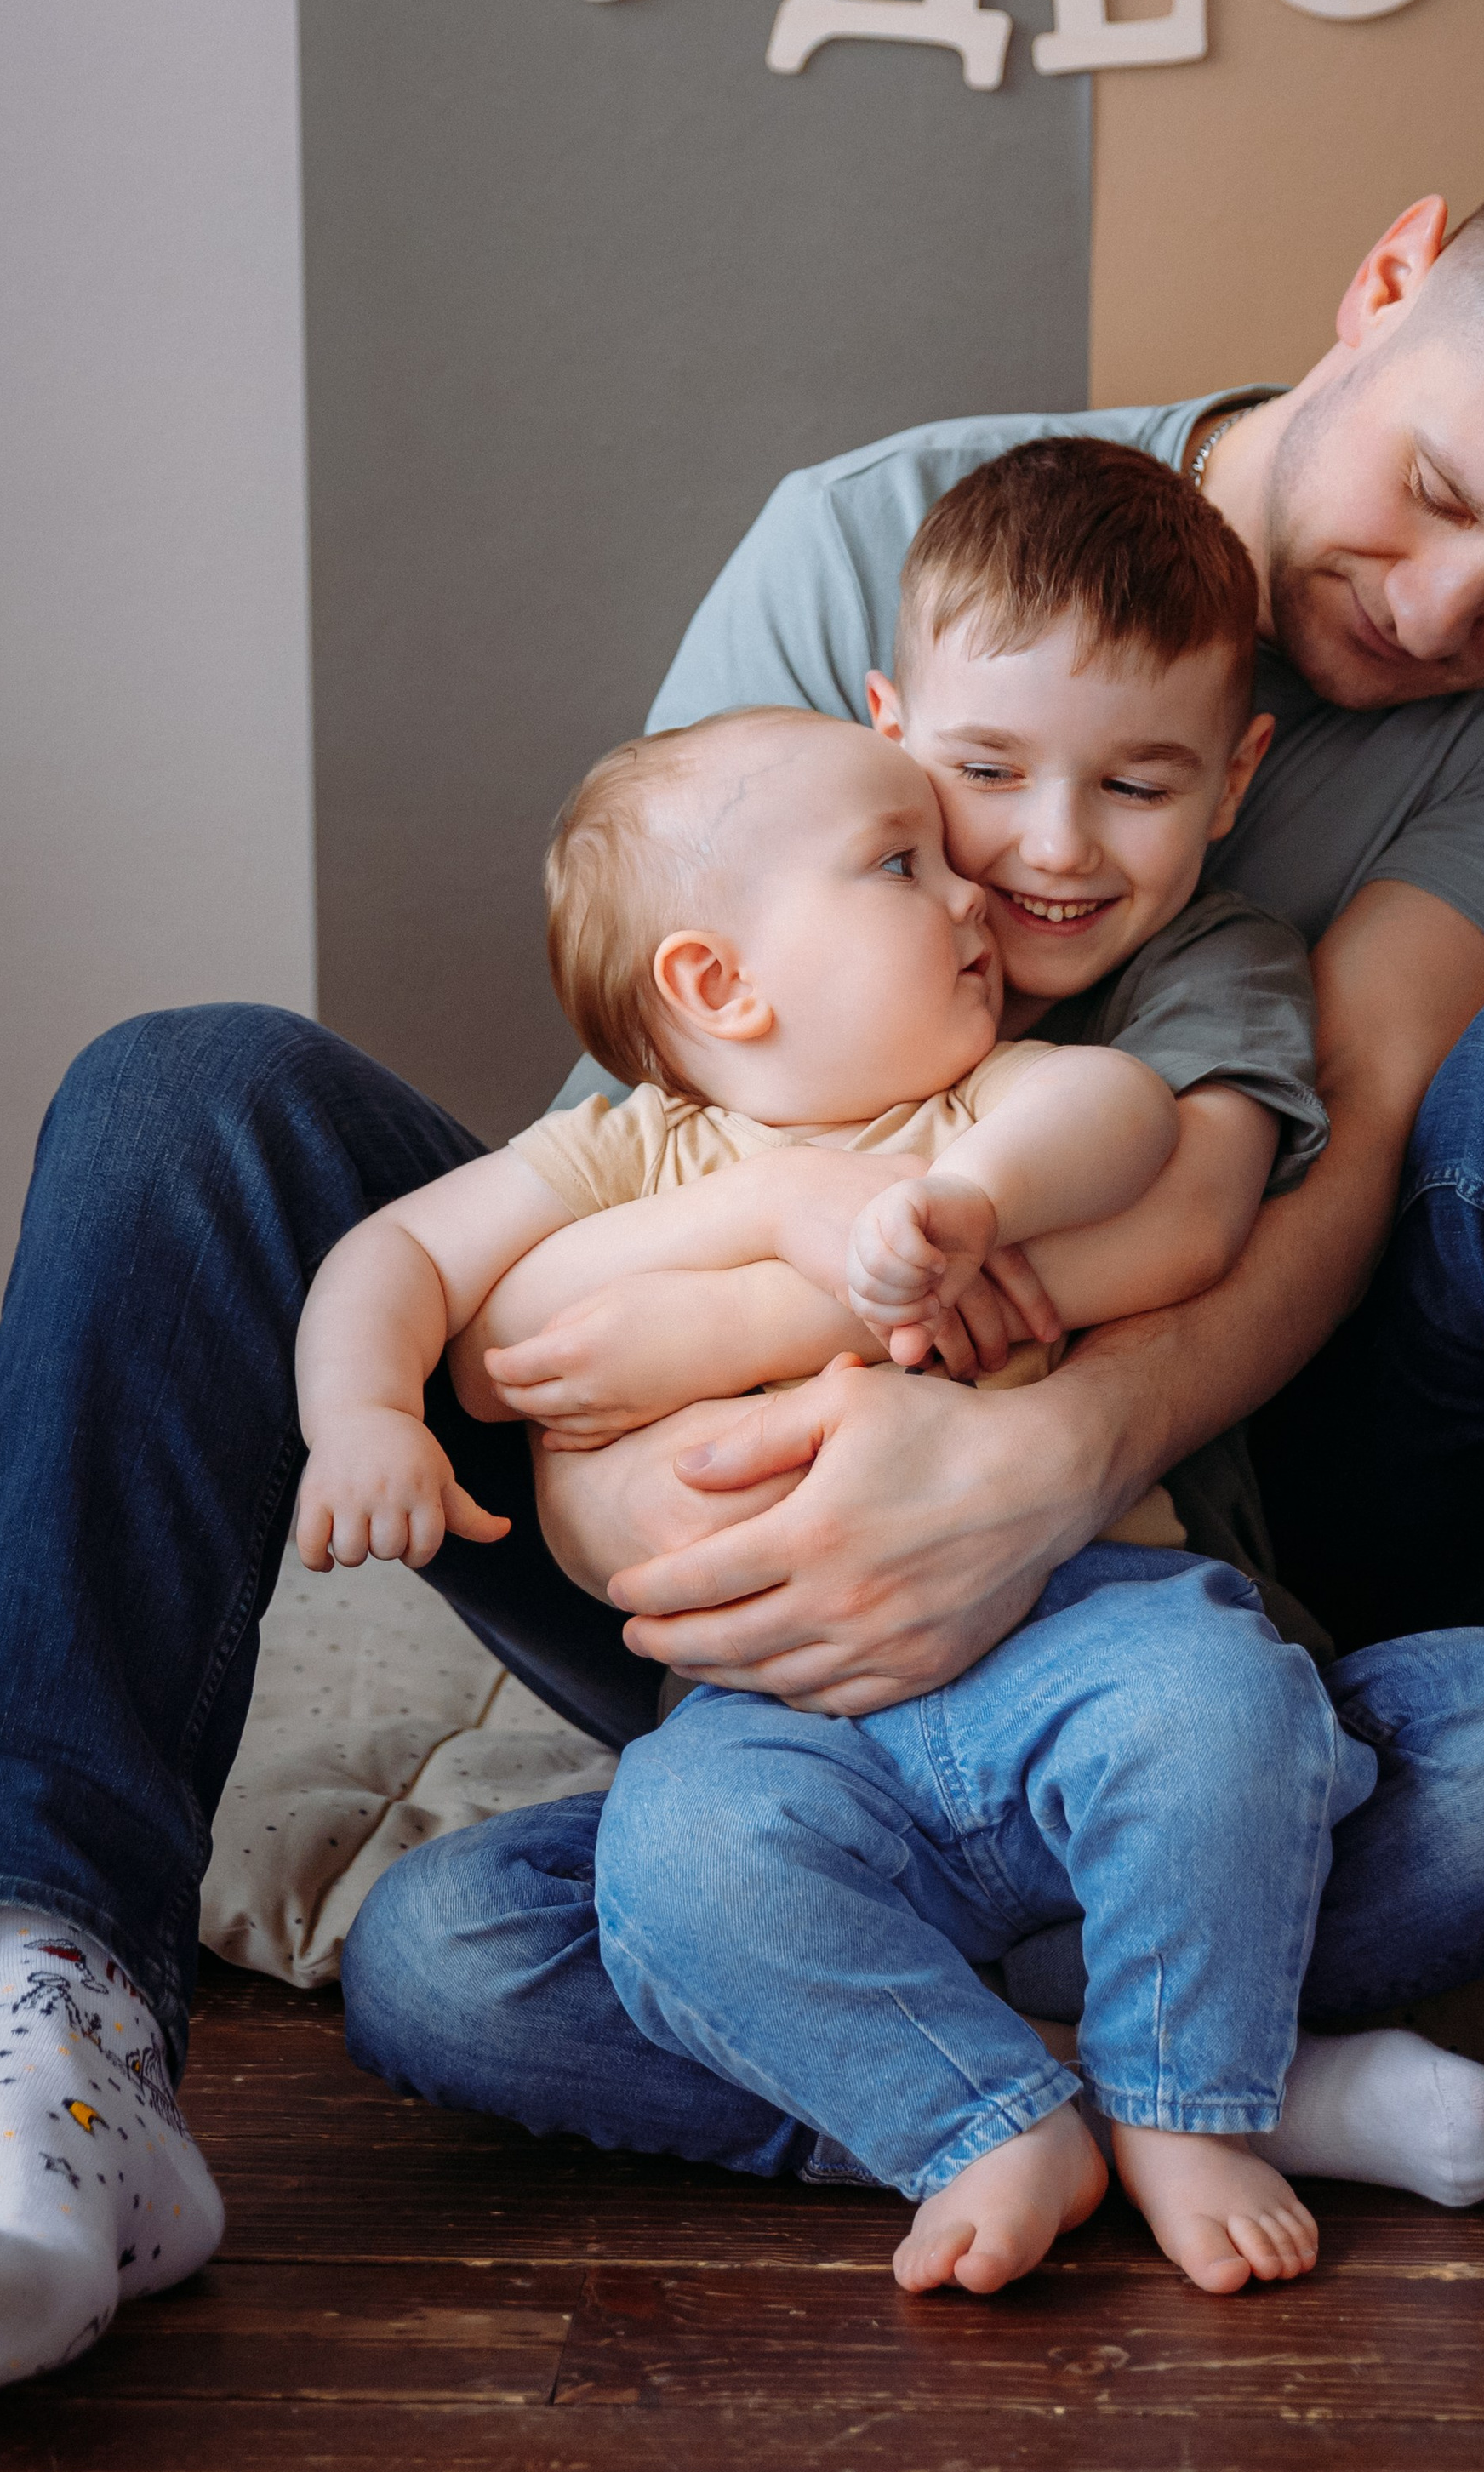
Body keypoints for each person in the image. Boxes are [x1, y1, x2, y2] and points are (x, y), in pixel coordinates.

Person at [0, 127, 1484, 2472]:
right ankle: (60, 2032)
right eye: (1440, 492)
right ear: (1390, 276)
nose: (1450, 609)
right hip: (728, 1538)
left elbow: (1324, 1156)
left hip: (1232, 1555)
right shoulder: (875, 530)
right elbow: (670, 1075)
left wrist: (1041, 1454)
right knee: (180, 1102)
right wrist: (697, 1437)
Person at [296, 686, 1369, 2299]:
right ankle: (987, 2121)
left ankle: (1183, 2099)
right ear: (717, 981)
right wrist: (366, 1413)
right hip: (771, 1716)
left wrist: (962, 1203)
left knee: (1232, 1708)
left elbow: (1123, 1111)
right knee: (675, 1861)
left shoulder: (980, 1107)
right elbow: (399, 1259)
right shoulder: (627, 1156)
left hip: (1086, 1630)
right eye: (901, 864)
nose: (970, 894)